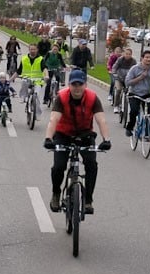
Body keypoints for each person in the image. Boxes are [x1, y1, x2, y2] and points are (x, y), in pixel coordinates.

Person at [42, 69, 112, 214]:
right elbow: (53, 119)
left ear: (85, 85)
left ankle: (88, 200)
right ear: (69, 85)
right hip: (63, 134)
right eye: (74, 84)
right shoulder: (61, 97)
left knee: (92, 165)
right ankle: (56, 193)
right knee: (58, 167)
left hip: (85, 135)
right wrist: (48, 138)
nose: (77, 88)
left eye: (80, 84)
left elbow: (101, 120)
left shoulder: (93, 98)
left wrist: (106, 139)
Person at [123, 50, 150, 137]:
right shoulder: (134, 69)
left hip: (146, 94)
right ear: (142, 58)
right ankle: (129, 128)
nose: (148, 59)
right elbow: (127, 82)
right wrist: (140, 77)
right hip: (134, 93)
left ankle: (148, 132)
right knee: (134, 111)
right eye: (147, 57)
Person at [112, 47, 137, 113]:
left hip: (128, 80)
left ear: (131, 55)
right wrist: (114, 73)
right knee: (118, 90)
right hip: (119, 78)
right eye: (126, 54)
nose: (128, 55)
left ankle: (130, 107)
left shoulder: (133, 61)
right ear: (124, 54)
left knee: (131, 92)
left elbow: (136, 70)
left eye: (129, 54)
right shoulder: (120, 60)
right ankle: (116, 106)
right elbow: (115, 67)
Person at [42, 39, 66, 105]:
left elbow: (62, 62)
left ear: (58, 50)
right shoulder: (48, 53)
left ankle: (57, 92)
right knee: (48, 83)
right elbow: (44, 61)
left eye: (56, 49)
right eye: (54, 49)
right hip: (49, 68)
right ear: (52, 49)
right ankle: (45, 99)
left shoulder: (59, 55)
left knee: (57, 78)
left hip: (56, 68)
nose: (55, 50)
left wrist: (65, 67)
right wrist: (44, 67)